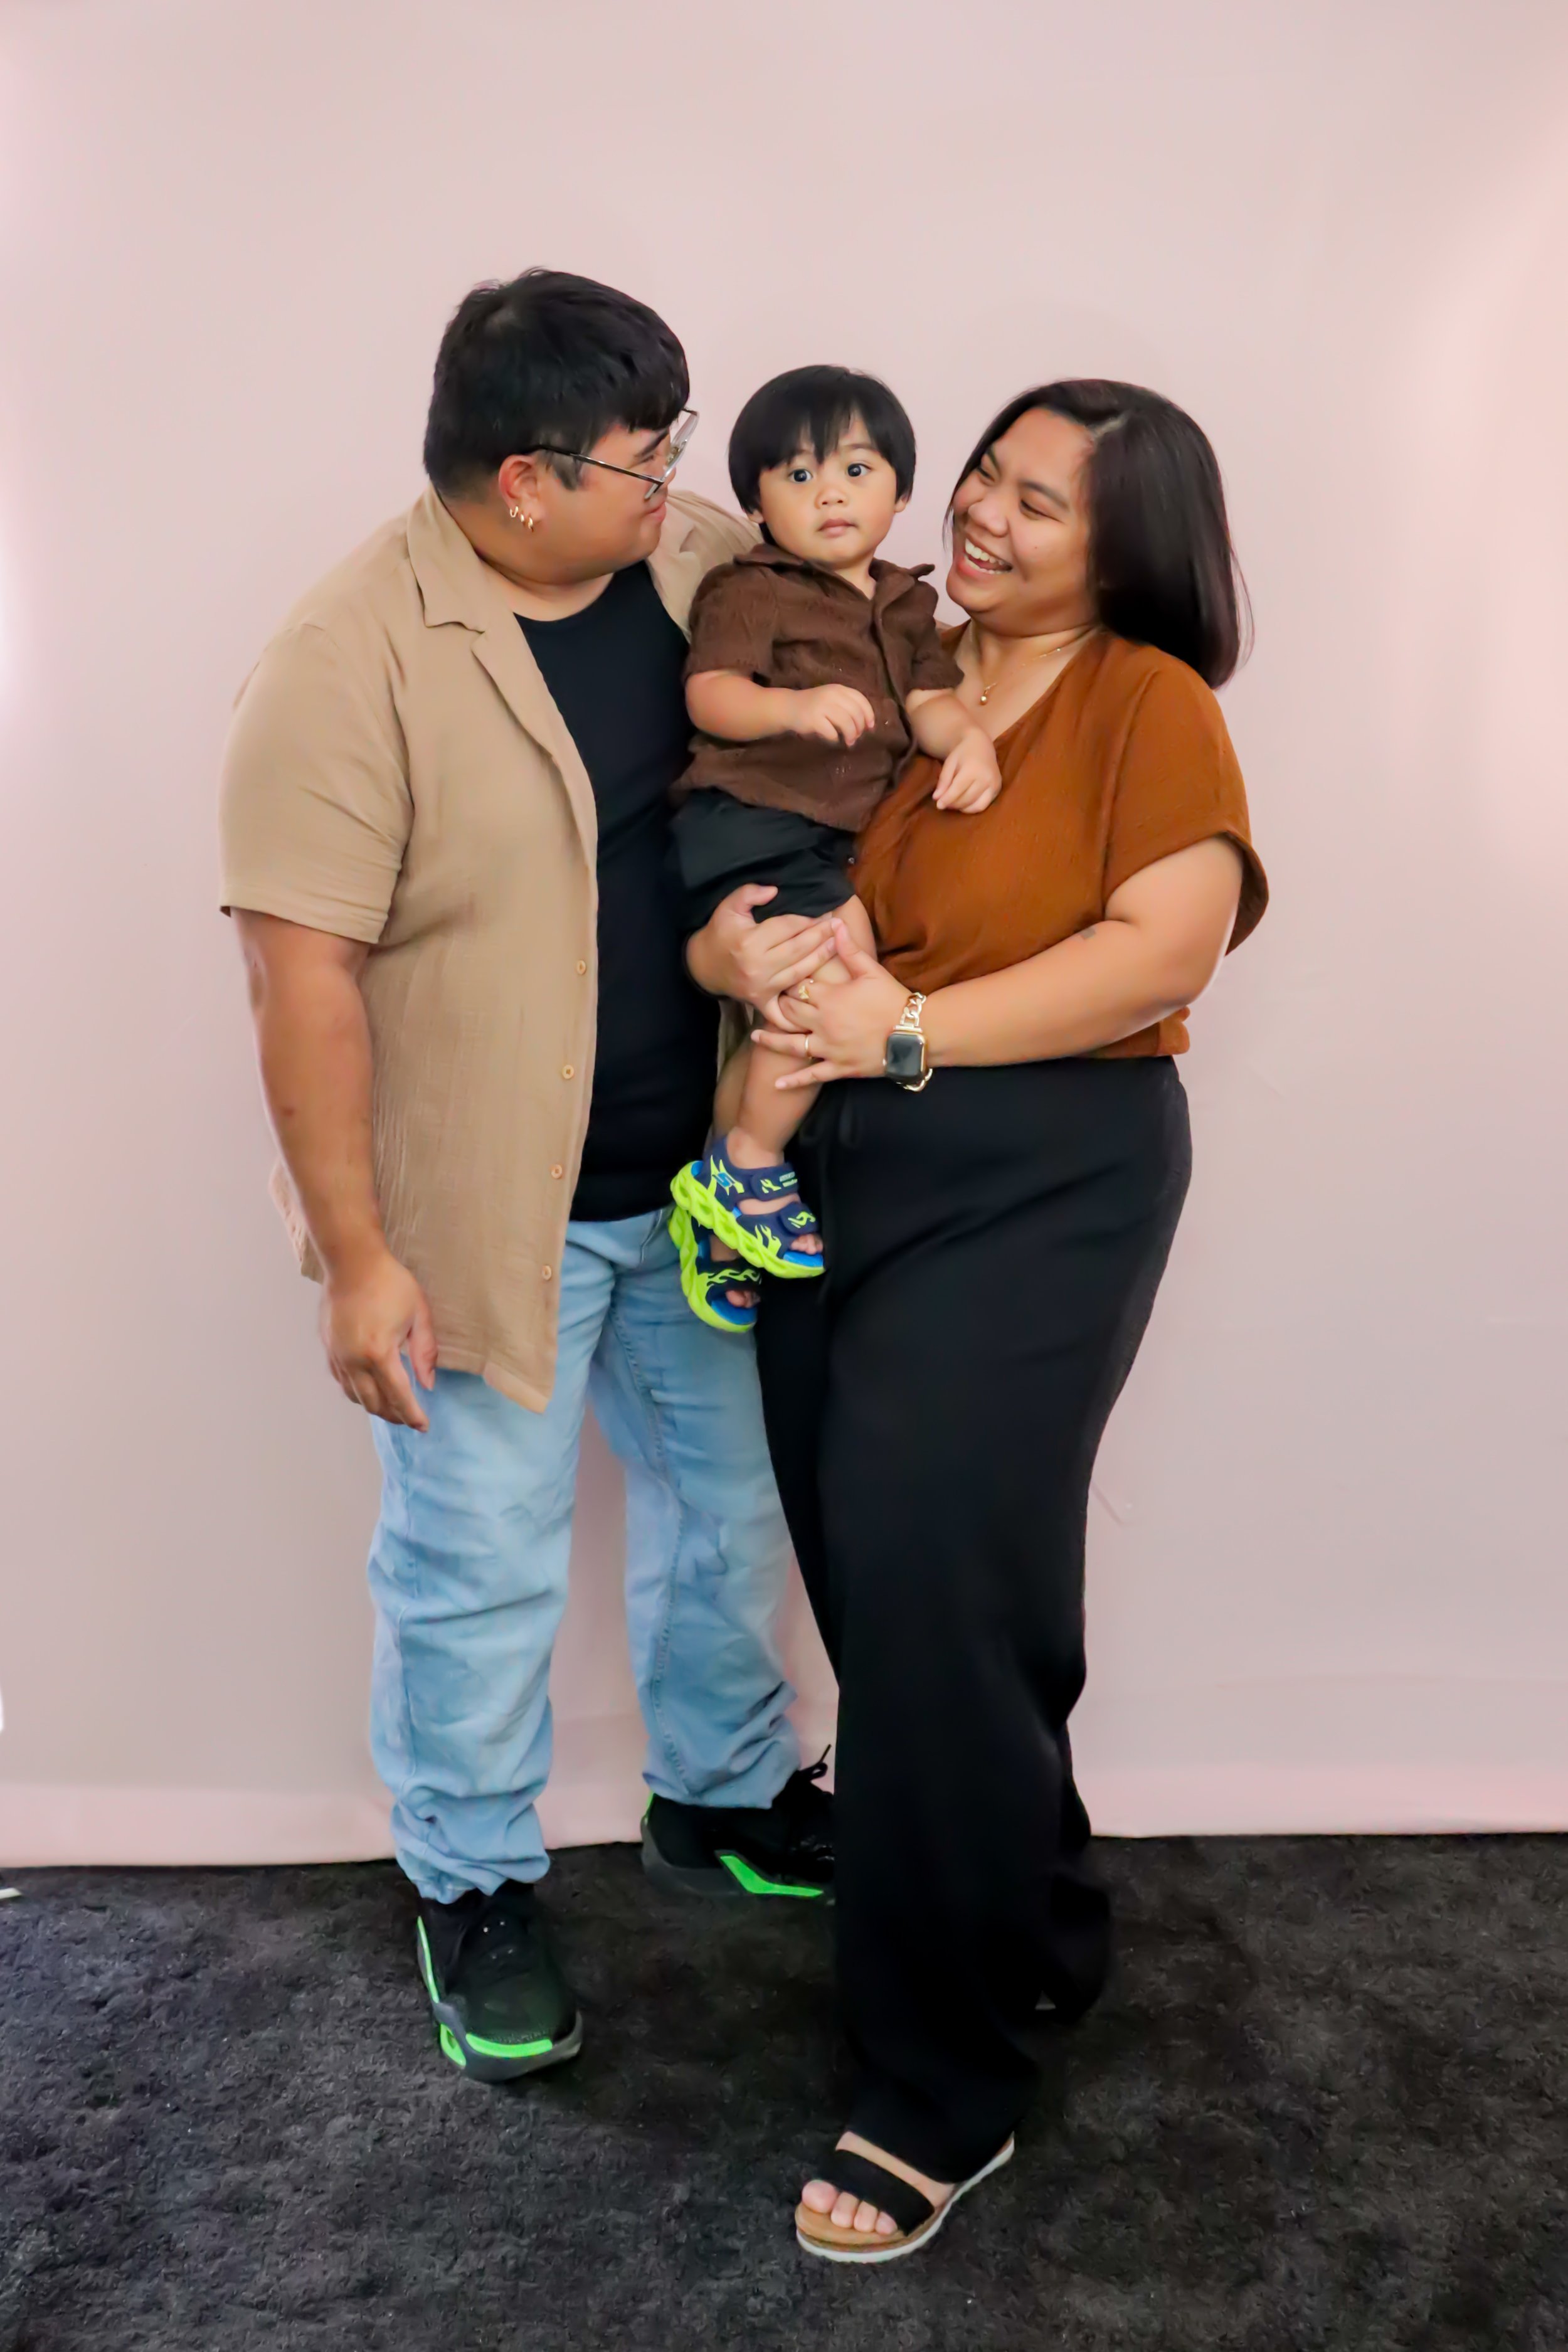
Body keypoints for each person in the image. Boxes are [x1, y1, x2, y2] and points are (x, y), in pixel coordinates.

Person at [218, 270, 842, 2091]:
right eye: (644, 459)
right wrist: (353, 1258)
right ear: (520, 480)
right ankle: (472, 1878)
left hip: (707, 1183)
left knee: (736, 1508)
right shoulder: (339, 664)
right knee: (476, 1565)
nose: (678, 482)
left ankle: (718, 1791)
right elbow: (301, 978)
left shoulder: (691, 568)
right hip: (485, 1215)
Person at [745, 381, 1269, 2260]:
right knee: (920, 1592)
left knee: (927, 1587)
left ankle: (932, 2086)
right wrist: (760, 953)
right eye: (982, 475)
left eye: (1038, 502)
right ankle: (1034, 1920)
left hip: (1045, 1173)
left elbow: (1164, 943)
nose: (978, 511)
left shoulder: (1144, 696)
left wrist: (901, 1029)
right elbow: (750, 866)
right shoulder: (887, 664)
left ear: (1120, 547)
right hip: (840, 1178)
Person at [666, 367, 999, 1321]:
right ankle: (752, 1165)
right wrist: (791, 705)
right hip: (752, 820)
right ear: (757, 503)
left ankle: (718, 1207)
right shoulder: (754, 587)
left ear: (900, 491)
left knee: (807, 985)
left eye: (858, 469)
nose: (832, 494)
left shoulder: (906, 605)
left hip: (825, 843)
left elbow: (931, 702)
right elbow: (709, 693)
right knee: (836, 972)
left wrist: (968, 741)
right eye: (800, 475)